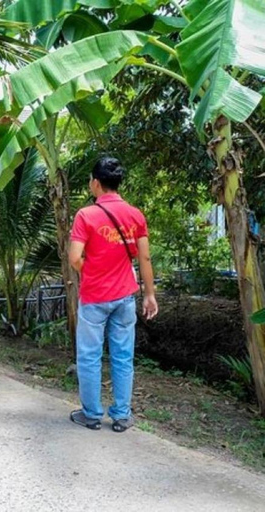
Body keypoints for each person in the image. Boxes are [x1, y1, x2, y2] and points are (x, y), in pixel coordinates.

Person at [68, 157, 158, 432]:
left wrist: (92, 270)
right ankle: (121, 415)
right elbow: (144, 258)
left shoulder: (86, 215)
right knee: (122, 356)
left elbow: (74, 258)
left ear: (96, 182)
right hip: (125, 297)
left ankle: (92, 414)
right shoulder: (135, 215)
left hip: (95, 296)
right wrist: (150, 295)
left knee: (89, 356)